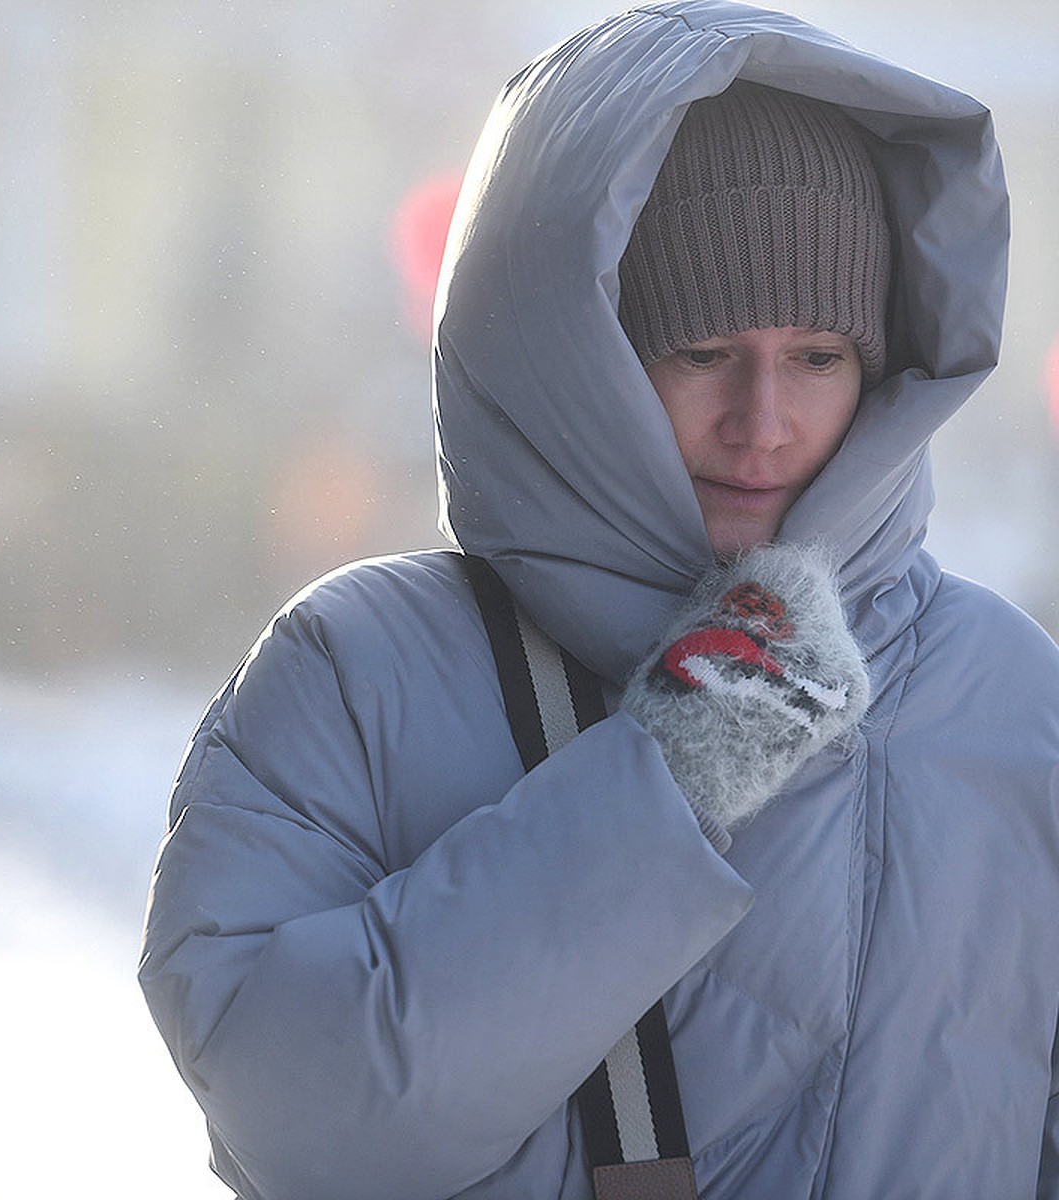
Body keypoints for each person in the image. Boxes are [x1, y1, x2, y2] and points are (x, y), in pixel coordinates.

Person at [138, 3, 1059, 1197]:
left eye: (820, 357)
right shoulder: (360, 672)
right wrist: (663, 779)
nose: (765, 420)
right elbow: (304, 1125)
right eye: (702, 351)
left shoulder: (1010, 697)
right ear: (583, 355)